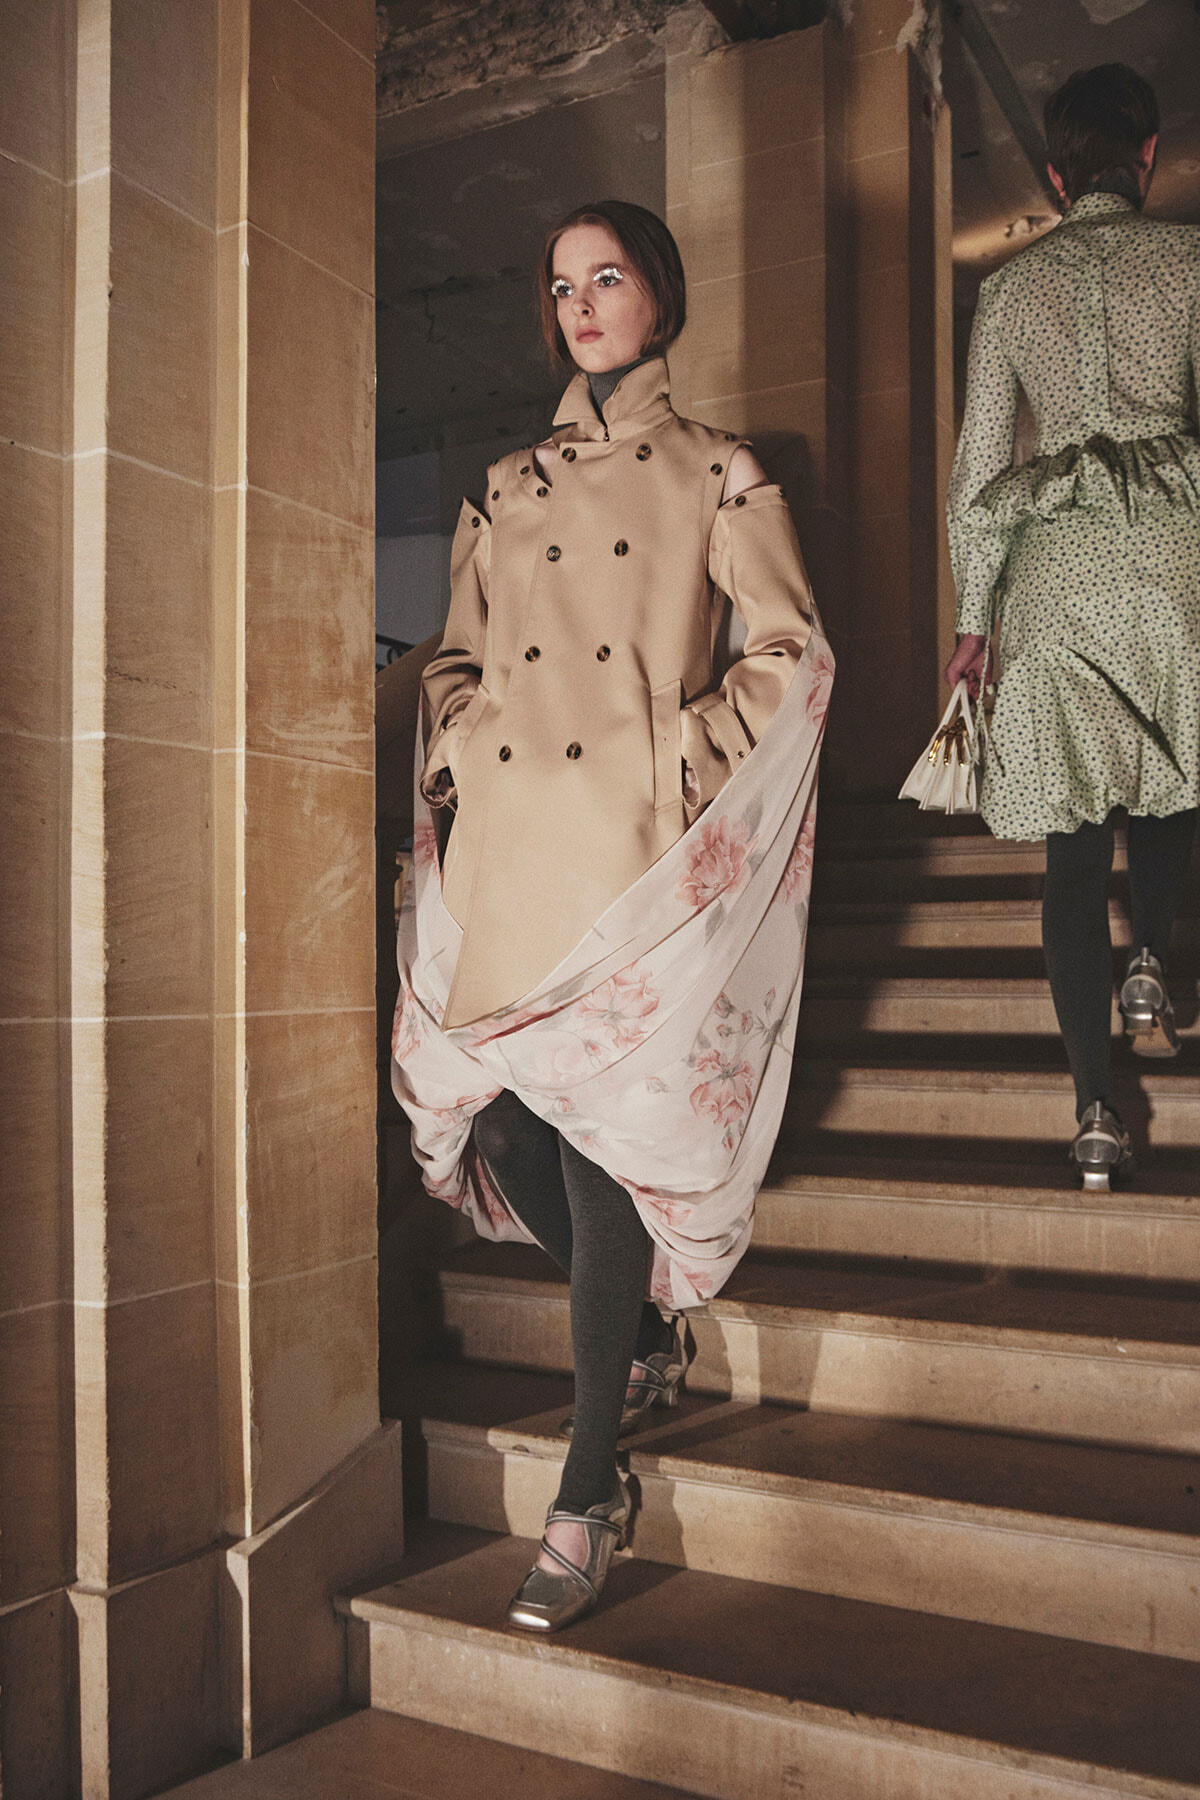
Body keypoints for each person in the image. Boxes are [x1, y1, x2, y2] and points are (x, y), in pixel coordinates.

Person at [391, 200, 832, 1630]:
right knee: (496, 1127)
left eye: (608, 278)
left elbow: (790, 651)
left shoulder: (718, 471)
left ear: (661, 298)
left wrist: (676, 759)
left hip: (630, 857)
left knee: (594, 1158)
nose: (581, 304)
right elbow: (451, 660)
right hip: (510, 847)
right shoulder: (502, 488)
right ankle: (639, 1327)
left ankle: (588, 1492)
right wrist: (459, 756)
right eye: (561, 285)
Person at [944, 64, 1199, 1191]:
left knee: (1072, 847)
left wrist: (972, 619)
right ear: (1147, 156)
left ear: (1054, 176)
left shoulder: (1008, 292)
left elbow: (976, 475)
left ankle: (1095, 1109)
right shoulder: (1191, 261)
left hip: (1053, 581)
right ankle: (1154, 961)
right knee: (1177, 776)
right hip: (1176, 564)